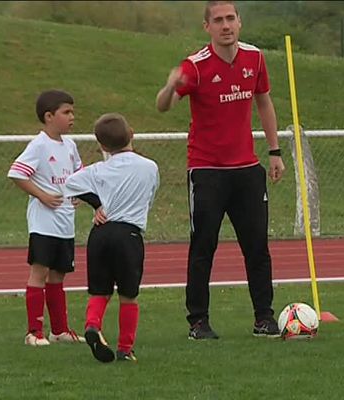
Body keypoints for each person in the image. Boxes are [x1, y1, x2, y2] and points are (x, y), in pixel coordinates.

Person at [155, 0, 285, 340]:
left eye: (231, 18)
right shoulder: (195, 66)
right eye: (218, 20)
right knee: (203, 247)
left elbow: (264, 101)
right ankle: (198, 322)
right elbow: (163, 106)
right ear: (207, 27)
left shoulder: (254, 58)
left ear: (240, 22)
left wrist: (274, 151)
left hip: (246, 170)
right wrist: (170, 86)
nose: (225, 25)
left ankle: (264, 318)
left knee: (257, 247)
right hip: (207, 171)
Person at [64, 113, 159, 363]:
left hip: (101, 234)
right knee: (128, 295)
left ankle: (92, 325)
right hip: (128, 234)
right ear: (132, 134)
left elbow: (70, 184)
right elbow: (149, 196)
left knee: (100, 291)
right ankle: (125, 349)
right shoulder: (149, 167)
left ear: (102, 146)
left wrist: (96, 204)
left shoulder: (98, 170)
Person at [7, 89, 85, 346]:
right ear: (49, 116)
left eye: (72, 111)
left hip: (65, 222)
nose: (72, 117)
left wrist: (76, 192)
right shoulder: (39, 145)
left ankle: (59, 331)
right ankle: (34, 332)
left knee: (58, 275)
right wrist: (42, 195)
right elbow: (17, 174)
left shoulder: (71, 145)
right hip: (44, 222)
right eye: (66, 112)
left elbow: (77, 174)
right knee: (39, 272)